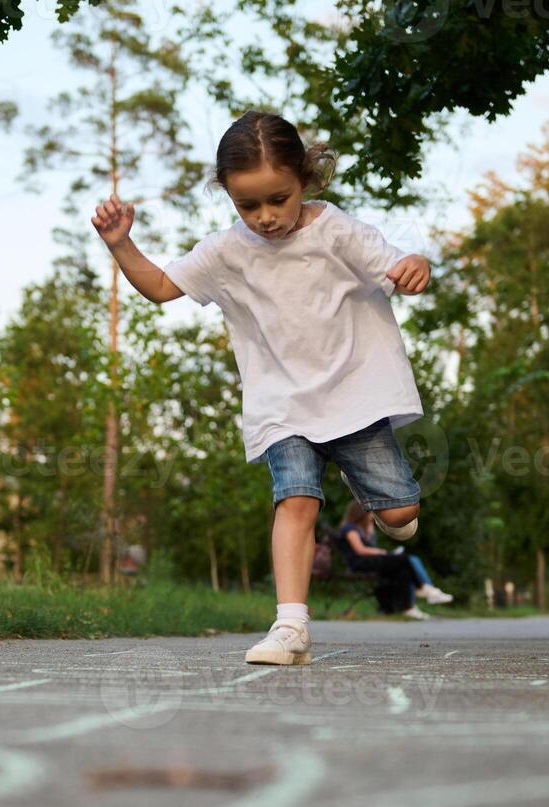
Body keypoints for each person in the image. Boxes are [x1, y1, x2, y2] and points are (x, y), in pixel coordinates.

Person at [91, 109, 432, 666]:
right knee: (294, 501)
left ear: (305, 180)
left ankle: (366, 482)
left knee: (400, 516)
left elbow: (396, 263)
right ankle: (290, 626)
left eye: (279, 198)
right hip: (283, 405)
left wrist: (414, 264)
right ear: (228, 196)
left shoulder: (334, 230)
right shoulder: (226, 251)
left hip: (354, 397)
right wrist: (120, 244)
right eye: (248, 205)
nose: (266, 217)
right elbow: (158, 287)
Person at [335, 500, 452, 618]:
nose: (372, 516)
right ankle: (424, 587)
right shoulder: (349, 529)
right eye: (371, 513)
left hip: (370, 561)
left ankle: (408, 607)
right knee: (405, 560)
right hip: (360, 563)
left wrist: (370, 530)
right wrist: (381, 552)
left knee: (404, 571)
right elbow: (360, 550)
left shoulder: (363, 529)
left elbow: (369, 545)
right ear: (361, 513)